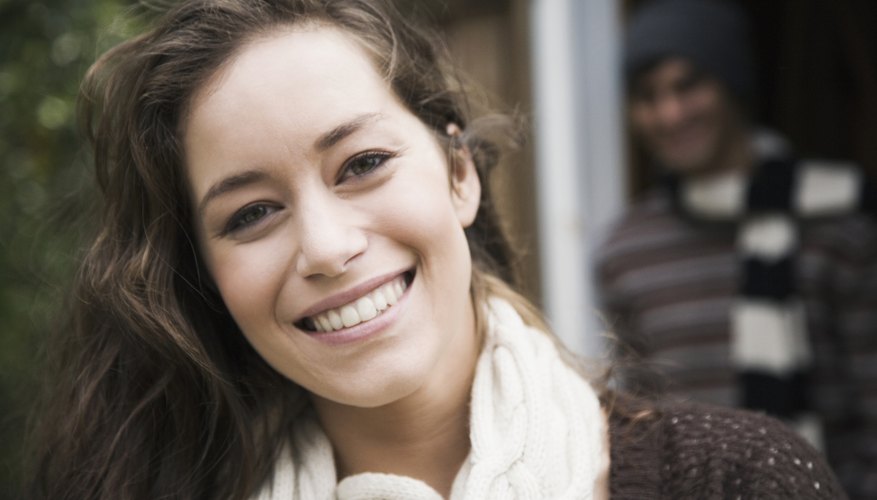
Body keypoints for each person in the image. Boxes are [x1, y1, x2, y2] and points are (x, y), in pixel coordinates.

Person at [27, 0, 843, 498]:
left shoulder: (740, 480)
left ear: (459, 172)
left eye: (363, 164)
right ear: (203, 275)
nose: (325, 245)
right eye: (250, 215)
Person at [595, 0, 877, 497]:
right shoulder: (627, 252)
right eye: (647, 96)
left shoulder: (836, 227)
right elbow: (638, 426)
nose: (669, 113)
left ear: (730, 83)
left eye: (687, 85)